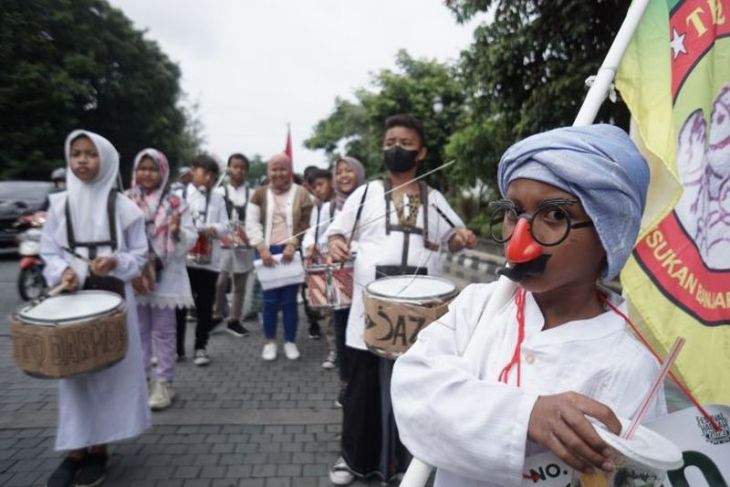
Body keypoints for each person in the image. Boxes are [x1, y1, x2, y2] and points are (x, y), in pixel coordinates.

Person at [391, 124, 667, 486]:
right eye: (513, 212)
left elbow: (637, 470)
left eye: (554, 216)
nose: (519, 240)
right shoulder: (479, 307)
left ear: (609, 234)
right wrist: (525, 415)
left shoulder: (631, 358)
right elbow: (414, 389)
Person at [326, 114, 477, 484]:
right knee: (362, 386)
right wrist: (336, 243)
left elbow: (453, 236)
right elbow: (335, 234)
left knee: (417, 386)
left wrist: (462, 238)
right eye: (391, 142)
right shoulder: (364, 194)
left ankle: (410, 464)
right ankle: (354, 460)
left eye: (405, 144)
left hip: (420, 312)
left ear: (422, 152)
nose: (396, 149)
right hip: (371, 305)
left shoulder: (434, 198)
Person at [40, 130, 151, 487]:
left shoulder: (125, 207)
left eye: (90, 154)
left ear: (105, 158)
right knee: (73, 374)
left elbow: (139, 256)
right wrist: (63, 271)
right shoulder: (58, 204)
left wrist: (116, 262)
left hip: (112, 299)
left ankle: (99, 450)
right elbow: (48, 251)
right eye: (76, 154)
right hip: (71, 299)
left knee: (106, 373)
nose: (83, 160)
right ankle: (74, 451)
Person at [126, 148, 196, 410]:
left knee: (164, 332)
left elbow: (190, 239)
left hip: (167, 276)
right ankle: (140, 381)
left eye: (152, 168)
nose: (146, 173)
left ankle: (164, 382)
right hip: (136, 276)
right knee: (139, 331)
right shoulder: (126, 201)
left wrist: (176, 231)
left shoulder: (177, 203)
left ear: (163, 171)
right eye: (142, 168)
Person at [246, 153, 313, 361]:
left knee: (290, 301)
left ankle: (290, 341)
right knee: (269, 301)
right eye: (274, 169)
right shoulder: (259, 193)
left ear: (290, 170)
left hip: (290, 252)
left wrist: (294, 244)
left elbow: (306, 222)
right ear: (268, 171)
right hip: (266, 252)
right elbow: (251, 223)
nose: (278, 173)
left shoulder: (301, 193)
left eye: (283, 168)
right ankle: (270, 341)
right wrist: (261, 247)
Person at [182, 154, 229, 366]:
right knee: (180, 306)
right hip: (184, 260)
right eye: (205, 172)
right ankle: (177, 348)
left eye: (212, 175)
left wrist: (214, 228)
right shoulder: (180, 194)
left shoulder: (218, 197)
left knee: (204, 306)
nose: (208, 178)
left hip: (209, 260)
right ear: (193, 170)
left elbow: (225, 225)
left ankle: (201, 347)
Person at [213, 153, 255, 337]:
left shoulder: (251, 193)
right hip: (224, 243)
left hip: (244, 243)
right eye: (235, 166)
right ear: (228, 168)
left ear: (247, 171)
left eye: (242, 167)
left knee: (240, 283)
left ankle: (234, 319)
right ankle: (216, 314)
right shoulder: (220, 193)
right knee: (220, 281)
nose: (238, 170)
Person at [302, 168, 337, 368]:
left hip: (340, 264)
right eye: (314, 186)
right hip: (320, 263)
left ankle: (343, 350)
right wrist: (309, 246)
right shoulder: (318, 207)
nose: (318, 189)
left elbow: (337, 231)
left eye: (321, 184)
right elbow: (311, 232)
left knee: (340, 310)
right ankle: (333, 350)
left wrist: (319, 243)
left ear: (331, 182)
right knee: (326, 310)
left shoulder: (341, 204)